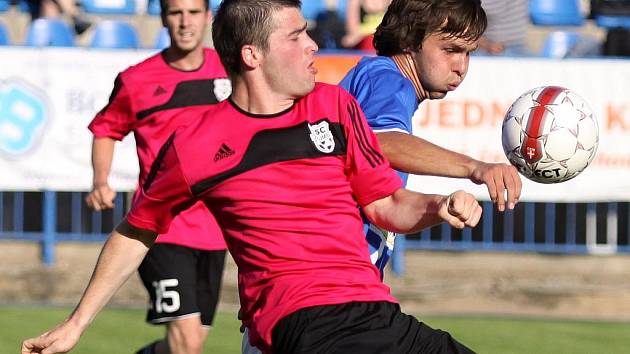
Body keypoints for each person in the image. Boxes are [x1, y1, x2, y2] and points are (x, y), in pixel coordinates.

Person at [22, 1, 483, 353]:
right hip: (300, 320)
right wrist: (75, 324)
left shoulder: (335, 107)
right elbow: (136, 230)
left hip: (373, 310)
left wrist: (439, 207)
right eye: (296, 36)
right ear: (253, 54)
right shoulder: (196, 145)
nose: (313, 46)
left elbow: (386, 205)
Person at [83, 0, 230, 353]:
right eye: (176, 13)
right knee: (186, 339)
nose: (185, 22)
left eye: (193, 12)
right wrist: (100, 180)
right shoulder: (138, 80)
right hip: (161, 227)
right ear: (164, 18)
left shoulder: (231, 71)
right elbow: (105, 129)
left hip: (215, 230)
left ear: (208, 16)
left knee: (188, 341)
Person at [339, 0, 522, 274]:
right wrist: (476, 168)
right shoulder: (385, 78)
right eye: (450, 50)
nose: (461, 66)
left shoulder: (385, 82)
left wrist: (440, 207)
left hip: (344, 284)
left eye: (469, 53)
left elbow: (387, 204)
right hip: (328, 286)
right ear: (410, 41)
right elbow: (382, 142)